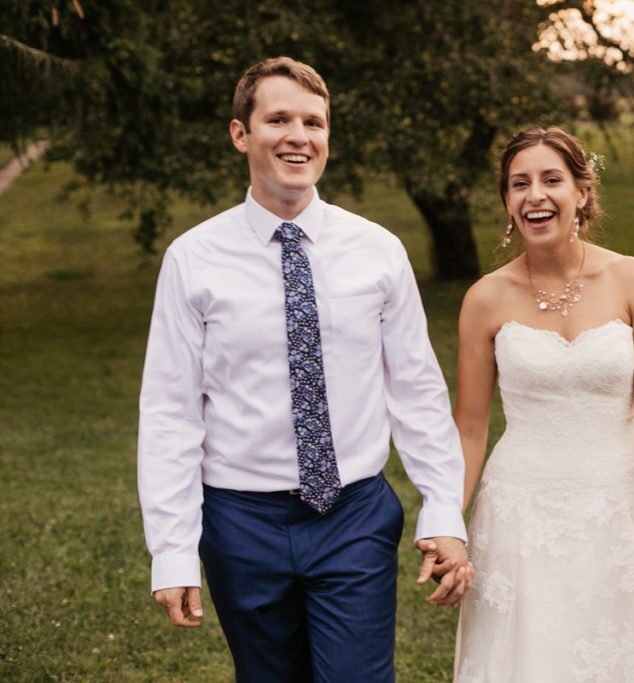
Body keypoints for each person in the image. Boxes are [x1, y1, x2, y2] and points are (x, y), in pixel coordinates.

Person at [137, 57, 472, 682]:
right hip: (240, 521)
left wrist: (443, 511)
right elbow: (170, 412)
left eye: (313, 122)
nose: (299, 136)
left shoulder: (377, 251)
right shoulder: (193, 259)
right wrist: (174, 551)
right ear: (241, 133)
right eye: (279, 119)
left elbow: (417, 392)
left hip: (354, 515)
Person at [452, 126, 634, 681]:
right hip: (519, 520)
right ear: (507, 200)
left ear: (582, 192)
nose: (535, 196)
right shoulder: (484, 298)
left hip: (621, 511)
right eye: (519, 183)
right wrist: (448, 528)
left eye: (552, 180)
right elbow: (470, 428)